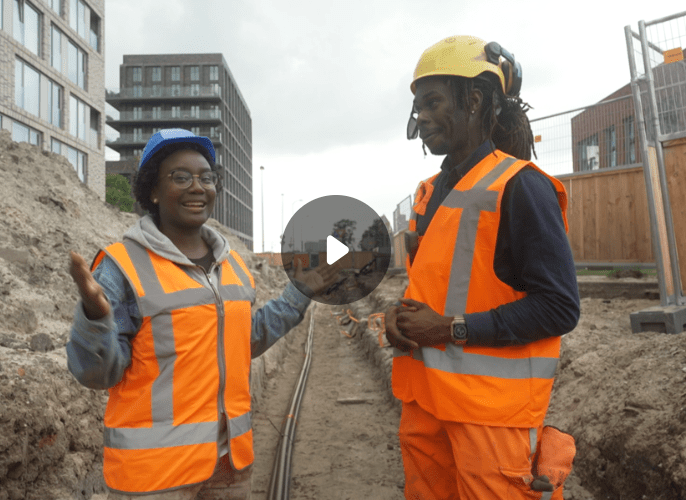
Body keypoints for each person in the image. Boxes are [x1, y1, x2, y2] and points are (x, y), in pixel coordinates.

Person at [66, 129, 336, 499]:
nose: (198, 186)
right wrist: (94, 319)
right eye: (181, 177)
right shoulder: (122, 267)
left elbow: (243, 342)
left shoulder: (232, 264)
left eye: (206, 177)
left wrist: (298, 293)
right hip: (155, 479)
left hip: (229, 468)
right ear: (154, 191)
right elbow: (96, 373)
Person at [384, 36, 580, 500]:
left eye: (433, 102)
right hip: (426, 407)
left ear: (472, 100)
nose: (421, 117)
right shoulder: (430, 194)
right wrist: (397, 318)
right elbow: (443, 286)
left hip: (491, 420)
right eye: (417, 106)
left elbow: (558, 307)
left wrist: (451, 329)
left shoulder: (520, 187)